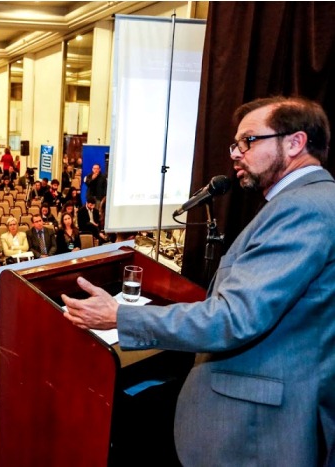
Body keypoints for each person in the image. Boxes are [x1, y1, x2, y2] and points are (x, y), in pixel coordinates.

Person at [62, 96, 335, 466]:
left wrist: (119, 316)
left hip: (258, 426)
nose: (236, 154)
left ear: (294, 143)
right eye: (235, 144)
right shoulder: (316, 200)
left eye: (248, 141)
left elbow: (234, 318)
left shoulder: (301, 207)